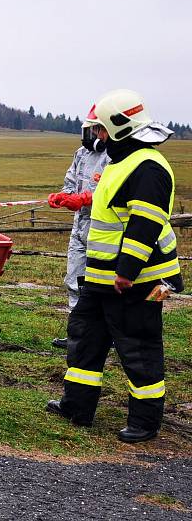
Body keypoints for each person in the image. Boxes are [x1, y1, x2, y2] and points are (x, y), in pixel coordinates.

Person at [47, 89, 182, 443]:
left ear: (121, 127)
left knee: (138, 349)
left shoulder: (148, 167)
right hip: (100, 278)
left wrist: (127, 271)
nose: (99, 136)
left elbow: (146, 224)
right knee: (85, 340)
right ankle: (76, 405)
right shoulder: (121, 161)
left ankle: (145, 421)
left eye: (103, 129)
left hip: (133, 281)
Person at [48, 123, 109, 348]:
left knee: (101, 283)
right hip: (80, 226)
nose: (89, 136)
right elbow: (70, 183)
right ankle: (78, 334)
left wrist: (86, 198)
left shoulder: (114, 157)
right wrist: (62, 196)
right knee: (74, 279)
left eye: (93, 131)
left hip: (104, 228)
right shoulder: (81, 154)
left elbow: (112, 189)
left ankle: (106, 333)